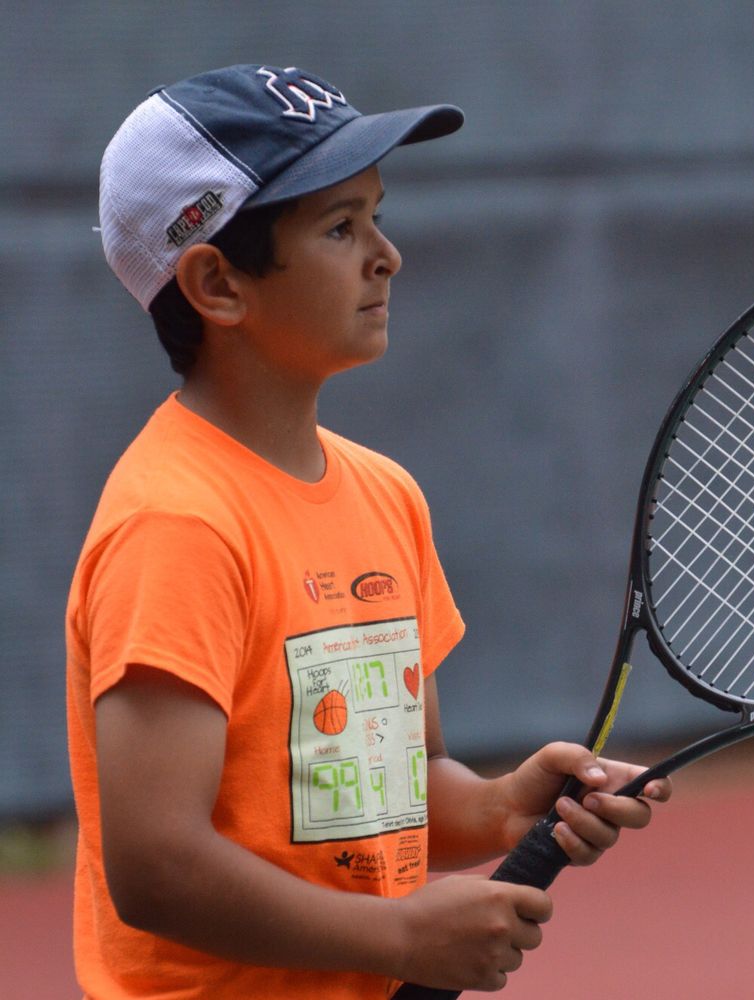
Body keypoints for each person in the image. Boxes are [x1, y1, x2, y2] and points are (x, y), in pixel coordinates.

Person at [66, 63, 670, 999]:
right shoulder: (175, 525)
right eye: (341, 228)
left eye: (377, 216)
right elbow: (155, 866)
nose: (387, 255)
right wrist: (394, 937)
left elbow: (400, 788)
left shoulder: (386, 495)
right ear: (216, 282)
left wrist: (504, 808)